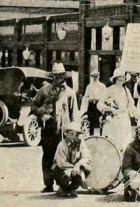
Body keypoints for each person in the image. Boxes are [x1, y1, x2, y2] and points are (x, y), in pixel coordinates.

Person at [31, 62, 78, 193]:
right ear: (52, 76)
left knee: (63, 157)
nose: (58, 78)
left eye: (61, 75)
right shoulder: (44, 90)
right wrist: (42, 114)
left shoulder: (70, 93)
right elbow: (33, 105)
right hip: (49, 129)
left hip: (64, 131)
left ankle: (62, 183)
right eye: (56, 75)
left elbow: (74, 113)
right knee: (47, 156)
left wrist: (74, 130)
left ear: (64, 76)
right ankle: (48, 184)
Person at [98, 68, 135, 151]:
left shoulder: (126, 90)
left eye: (123, 77)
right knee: (113, 140)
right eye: (120, 77)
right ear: (116, 78)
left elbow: (131, 102)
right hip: (113, 119)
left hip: (124, 118)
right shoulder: (109, 90)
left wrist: (129, 110)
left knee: (125, 141)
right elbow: (99, 104)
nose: (122, 79)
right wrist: (110, 109)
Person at [52, 121, 91, 198]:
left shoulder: (81, 143)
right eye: (71, 134)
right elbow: (61, 163)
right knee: (66, 175)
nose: (75, 136)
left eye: (77, 134)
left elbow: (87, 157)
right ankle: (62, 188)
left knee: (88, 169)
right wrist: (74, 168)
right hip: (63, 169)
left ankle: (71, 189)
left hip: (75, 167)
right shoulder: (62, 145)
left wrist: (78, 165)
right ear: (66, 134)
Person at [81, 71, 106, 136]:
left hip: (99, 105)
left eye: (96, 76)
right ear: (91, 77)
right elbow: (86, 96)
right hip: (91, 105)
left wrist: (99, 99)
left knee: (101, 120)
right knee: (91, 121)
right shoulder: (89, 86)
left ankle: (101, 135)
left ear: (99, 76)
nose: (95, 78)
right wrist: (90, 99)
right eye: (93, 76)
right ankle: (91, 136)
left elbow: (105, 96)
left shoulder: (102, 86)